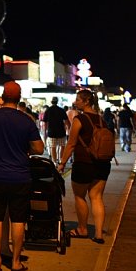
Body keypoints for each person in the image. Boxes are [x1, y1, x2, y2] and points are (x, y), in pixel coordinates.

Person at [0, 81, 45, 271]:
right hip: (20, 176)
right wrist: (24, 149)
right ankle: (15, 262)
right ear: (19, 97)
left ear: (3, 96)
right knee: (18, 219)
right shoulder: (26, 120)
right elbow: (39, 148)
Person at [59, 89, 112, 244]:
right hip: (102, 164)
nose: (75, 102)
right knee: (96, 197)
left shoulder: (79, 119)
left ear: (86, 101)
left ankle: (82, 229)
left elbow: (71, 144)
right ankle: (98, 234)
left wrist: (62, 163)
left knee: (79, 196)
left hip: (84, 163)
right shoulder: (101, 119)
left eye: (78, 99)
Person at [41, 97, 70, 165]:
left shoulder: (48, 110)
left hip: (51, 132)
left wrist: (45, 133)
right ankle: (60, 160)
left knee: (53, 147)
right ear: (57, 102)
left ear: (51, 102)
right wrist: (68, 129)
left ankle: (54, 162)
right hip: (61, 132)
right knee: (62, 146)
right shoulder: (62, 110)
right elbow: (66, 121)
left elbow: (45, 123)